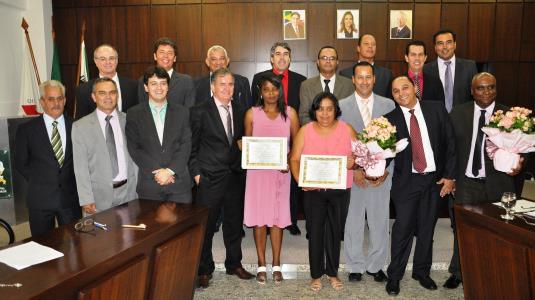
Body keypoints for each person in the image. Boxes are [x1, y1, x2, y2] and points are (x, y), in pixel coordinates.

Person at [445, 72, 523, 289]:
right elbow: (450, 149)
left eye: (491, 87)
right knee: (463, 230)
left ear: (496, 89)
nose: (486, 92)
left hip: (499, 183)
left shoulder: (510, 115)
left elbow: (523, 150)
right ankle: (458, 272)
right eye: (481, 88)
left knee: (501, 230)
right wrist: (451, 178)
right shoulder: (459, 113)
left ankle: (500, 269)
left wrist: (519, 165)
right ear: (472, 91)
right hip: (467, 182)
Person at [384, 76, 456, 296]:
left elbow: (450, 143)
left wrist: (450, 176)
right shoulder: (389, 119)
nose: (401, 93)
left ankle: (422, 272)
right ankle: (395, 275)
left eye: (404, 87)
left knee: (427, 228)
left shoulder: (435, 109)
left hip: (434, 180)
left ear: (414, 88)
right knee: (402, 229)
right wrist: (371, 167)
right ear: (393, 96)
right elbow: (383, 153)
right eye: (395, 91)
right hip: (406, 183)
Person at [189, 68, 253, 288]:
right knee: (205, 227)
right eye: (223, 84)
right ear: (213, 87)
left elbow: (242, 142)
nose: (228, 88)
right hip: (209, 178)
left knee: (234, 225)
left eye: (231, 84)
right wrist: (196, 174)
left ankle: (234, 264)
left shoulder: (242, 110)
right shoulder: (199, 111)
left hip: (235, 177)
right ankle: (204, 269)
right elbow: (192, 146)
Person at [289, 92, 357, 292]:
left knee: (335, 233)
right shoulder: (305, 130)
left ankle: (333, 273)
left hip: (340, 190)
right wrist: (301, 180)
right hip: (313, 191)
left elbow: (359, 155)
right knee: (316, 232)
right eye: (320, 109)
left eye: (329, 108)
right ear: (314, 110)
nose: (325, 113)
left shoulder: (347, 129)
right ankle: (316, 274)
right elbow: (294, 159)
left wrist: (354, 162)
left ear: (336, 110)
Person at [339, 61, 395, 284]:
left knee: (379, 220)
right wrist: (354, 170)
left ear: (374, 79)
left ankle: (376, 265)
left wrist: (386, 171)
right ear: (353, 79)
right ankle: (354, 265)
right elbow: (339, 142)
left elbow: (397, 141)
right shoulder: (341, 106)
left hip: (381, 177)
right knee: (352, 220)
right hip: (353, 175)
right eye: (359, 77)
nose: (364, 81)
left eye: (368, 77)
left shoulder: (389, 105)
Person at [243, 74, 299, 284]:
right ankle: (260, 263)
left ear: (280, 91)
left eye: (274, 89)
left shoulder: (290, 113)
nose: (271, 93)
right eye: (266, 89)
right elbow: (248, 144)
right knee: (259, 219)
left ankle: (276, 264)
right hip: (257, 175)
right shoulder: (252, 114)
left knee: (277, 219)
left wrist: (288, 161)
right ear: (261, 92)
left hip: (280, 174)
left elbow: (297, 143)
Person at [252, 42, 306, 235]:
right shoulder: (259, 78)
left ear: (290, 58)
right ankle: (266, 219)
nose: (282, 57)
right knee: (266, 181)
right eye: (278, 54)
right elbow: (255, 106)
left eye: (286, 54)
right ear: (271, 58)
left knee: (289, 181)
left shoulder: (301, 80)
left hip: (290, 134)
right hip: (266, 140)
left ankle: (290, 219)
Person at [15, 80, 81, 236]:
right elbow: (20, 163)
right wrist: (42, 180)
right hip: (40, 200)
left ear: (65, 100)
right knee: (42, 248)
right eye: (51, 99)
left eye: (59, 98)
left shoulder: (77, 126)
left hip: (70, 200)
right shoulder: (26, 130)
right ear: (42, 102)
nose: (56, 103)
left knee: (76, 247)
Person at [126, 66, 193, 203]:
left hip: (179, 184)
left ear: (168, 87)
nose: (159, 88)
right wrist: (159, 172)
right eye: (154, 83)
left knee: (184, 224)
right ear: (146, 87)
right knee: (151, 225)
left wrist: (170, 171)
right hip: (150, 185)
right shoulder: (134, 113)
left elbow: (186, 144)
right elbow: (134, 148)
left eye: (163, 83)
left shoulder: (182, 112)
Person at [72, 77, 137, 214]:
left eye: (112, 92)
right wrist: (86, 199)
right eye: (102, 93)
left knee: (130, 235)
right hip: (97, 198)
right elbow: (80, 167)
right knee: (101, 236)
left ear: (117, 95)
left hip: (129, 193)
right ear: (94, 97)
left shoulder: (130, 120)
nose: (108, 97)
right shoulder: (80, 126)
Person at [75, 44, 138, 120]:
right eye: (103, 59)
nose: (108, 62)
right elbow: (81, 121)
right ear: (96, 61)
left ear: (117, 60)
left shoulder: (134, 86)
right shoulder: (84, 90)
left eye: (111, 58)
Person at [423, 29, 478, 112]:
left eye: (448, 42)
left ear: (455, 45)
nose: (445, 47)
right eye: (440, 43)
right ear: (435, 47)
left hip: (463, 118)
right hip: (436, 119)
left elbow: (476, 95)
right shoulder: (425, 69)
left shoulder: (470, 67)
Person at [299, 46, 354, 125]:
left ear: (337, 62)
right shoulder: (306, 85)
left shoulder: (349, 85)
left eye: (332, 58)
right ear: (318, 62)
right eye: (324, 58)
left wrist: (335, 129)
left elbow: (351, 114)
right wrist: (320, 130)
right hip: (315, 134)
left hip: (341, 133)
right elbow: (303, 116)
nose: (328, 61)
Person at [137, 37, 196, 108]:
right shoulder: (143, 80)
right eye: (162, 52)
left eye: (170, 53)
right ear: (155, 56)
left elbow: (189, 110)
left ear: (175, 58)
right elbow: (142, 109)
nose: (165, 56)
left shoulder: (186, 81)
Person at [339, 34, 393, 98]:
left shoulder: (386, 74)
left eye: (373, 44)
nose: (370, 46)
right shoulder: (345, 74)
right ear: (358, 48)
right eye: (366, 43)